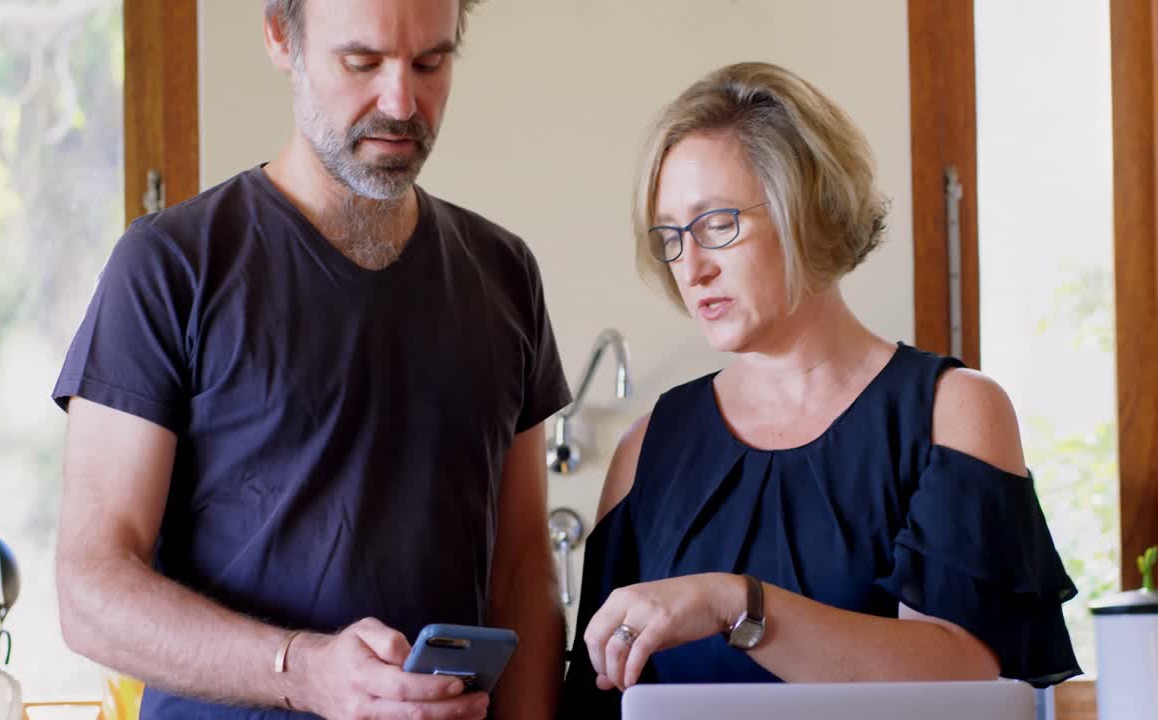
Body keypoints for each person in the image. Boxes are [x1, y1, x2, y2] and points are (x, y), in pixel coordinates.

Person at [52, 1, 570, 718]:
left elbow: (522, 570)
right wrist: (303, 670)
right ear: (279, 38)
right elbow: (90, 592)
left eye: (430, 63)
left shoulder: (505, 273)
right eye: (361, 63)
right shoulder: (169, 266)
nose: (400, 102)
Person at [559, 61, 1081, 716]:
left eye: (717, 223)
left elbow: (962, 678)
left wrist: (736, 604)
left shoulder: (953, 413)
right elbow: (596, 699)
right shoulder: (648, 449)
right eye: (671, 235)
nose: (692, 267)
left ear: (806, 207)